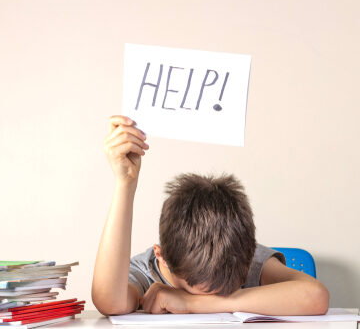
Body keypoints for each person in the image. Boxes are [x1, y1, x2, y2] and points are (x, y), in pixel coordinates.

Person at [92, 115, 329, 316]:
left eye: (228, 290)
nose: (216, 296)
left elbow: (316, 296)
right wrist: (125, 183)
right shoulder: (147, 272)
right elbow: (108, 301)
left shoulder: (243, 258)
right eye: (201, 292)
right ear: (161, 256)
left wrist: (193, 302)